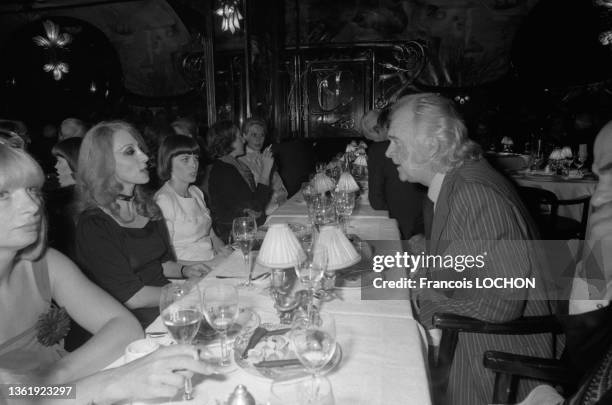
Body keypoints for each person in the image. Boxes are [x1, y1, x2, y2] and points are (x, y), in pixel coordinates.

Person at [386, 93, 552, 404]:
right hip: (475, 339)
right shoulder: (458, 180)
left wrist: (425, 297)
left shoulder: (472, 192)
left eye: (395, 141)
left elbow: (502, 301)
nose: (389, 152)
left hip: (495, 360)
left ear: (432, 146)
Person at [74, 121, 209, 328]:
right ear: (103, 163)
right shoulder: (94, 224)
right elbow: (132, 297)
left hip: (170, 308)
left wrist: (185, 271)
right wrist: (185, 290)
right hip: (134, 324)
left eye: (141, 149)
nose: (145, 157)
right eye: (130, 151)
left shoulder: (147, 207)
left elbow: (162, 265)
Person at [155, 135, 229, 262]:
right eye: (185, 159)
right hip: (188, 270)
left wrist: (229, 256)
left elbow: (212, 236)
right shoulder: (164, 200)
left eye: (196, 158)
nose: (194, 165)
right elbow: (165, 258)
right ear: (168, 162)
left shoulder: (196, 192)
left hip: (211, 262)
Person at [361, 109, 426, 240]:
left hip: (401, 224)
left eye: (372, 136)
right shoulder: (417, 143)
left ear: (379, 129)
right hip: (426, 218)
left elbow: (376, 201)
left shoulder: (378, 150)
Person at [207, 120, 273, 242]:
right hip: (237, 235)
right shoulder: (224, 171)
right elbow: (257, 206)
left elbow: (254, 205)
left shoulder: (235, 166)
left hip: (249, 227)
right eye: (239, 137)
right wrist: (266, 171)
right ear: (227, 142)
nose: (243, 140)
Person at [238, 118, 288, 214]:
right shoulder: (241, 161)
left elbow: (280, 187)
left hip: (277, 208)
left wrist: (281, 199)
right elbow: (250, 198)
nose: (259, 139)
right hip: (259, 212)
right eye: (254, 135)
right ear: (244, 136)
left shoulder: (266, 157)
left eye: (262, 135)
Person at [46, 137, 82, 258]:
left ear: (74, 162)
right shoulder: (60, 200)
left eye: (59, 161)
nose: (56, 166)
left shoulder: (76, 205)